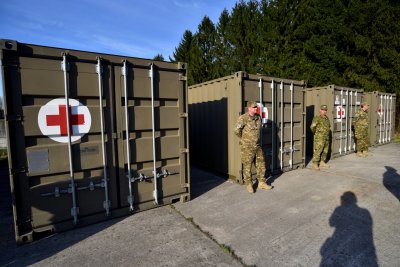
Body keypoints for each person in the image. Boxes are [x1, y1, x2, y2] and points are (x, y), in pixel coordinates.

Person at [234, 101, 272, 193]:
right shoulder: (243, 118)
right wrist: (244, 139)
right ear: (249, 108)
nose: (256, 108)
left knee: (261, 165)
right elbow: (236, 130)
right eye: (254, 107)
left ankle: (261, 183)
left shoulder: (258, 117)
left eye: (256, 107)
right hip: (247, 147)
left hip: (257, 146)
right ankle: (249, 184)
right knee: (247, 166)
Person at [310, 104, 331, 171]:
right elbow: (312, 127)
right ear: (320, 110)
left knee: (325, 151)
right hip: (320, 138)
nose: (324, 111)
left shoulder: (326, 118)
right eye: (323, 110)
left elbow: (329, 126)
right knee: (318, 151)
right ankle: (315, 164)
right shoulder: (317, 118)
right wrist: (317, 133)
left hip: (326, 138)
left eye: (325, 110)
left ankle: (322, 162)